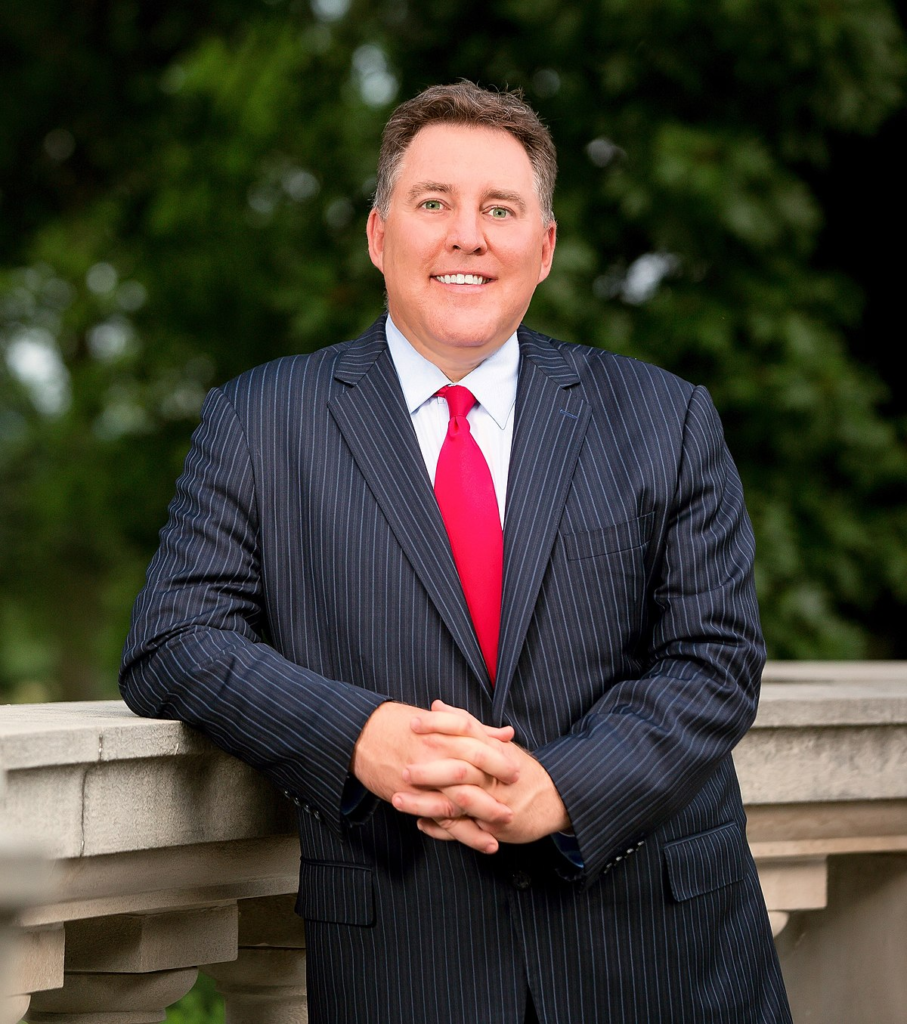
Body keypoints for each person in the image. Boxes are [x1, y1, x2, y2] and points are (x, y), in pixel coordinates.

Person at [120, 82, 792, 1023]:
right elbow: (173, 640)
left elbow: (715, 660)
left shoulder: (665, 417)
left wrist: (563, 786)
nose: (466, 235)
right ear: (377, 234)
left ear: (543, 248)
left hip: (664, 958)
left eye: (500, 209)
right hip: (407, 958)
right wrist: (357, 737)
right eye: (433, 203)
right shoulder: (259, 422)